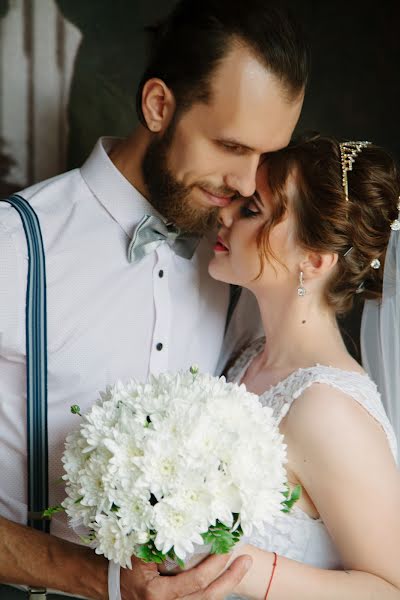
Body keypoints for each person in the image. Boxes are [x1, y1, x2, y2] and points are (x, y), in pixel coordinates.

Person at [0, 0, 307, 598]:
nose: (247, 183)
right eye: (230, 146)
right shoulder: (14, 245)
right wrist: (101, 581)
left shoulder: (238, 262)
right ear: (160, 106)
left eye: (265, 156)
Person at [207, 134, 400, 599]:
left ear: (313, 261)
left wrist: (242, 569)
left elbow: (391, 588)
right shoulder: (248, 353)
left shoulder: (326, 410)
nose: (224, 214)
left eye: (252, 210)